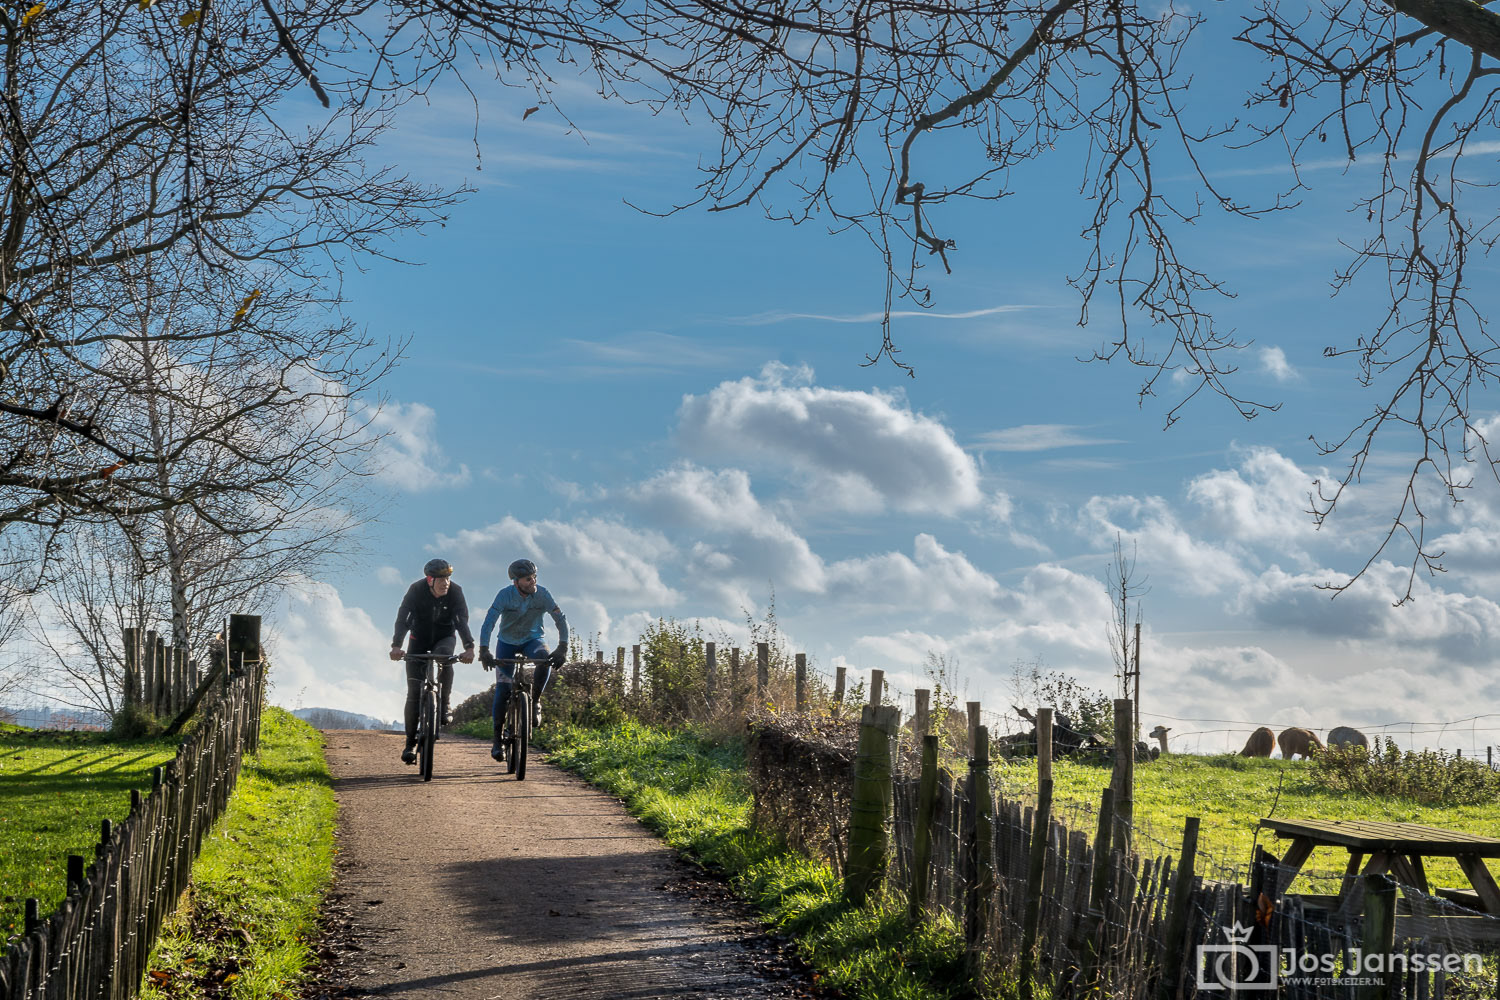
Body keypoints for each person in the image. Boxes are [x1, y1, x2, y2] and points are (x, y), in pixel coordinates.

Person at [478, 558, 568, 761]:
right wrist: (484, 650)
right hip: (507, 643)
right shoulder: (504, 595)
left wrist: (562, 647)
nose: (533, 581)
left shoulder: (543, 594)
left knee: (543, 658)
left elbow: (560, 619)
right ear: (516, 582)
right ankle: (497, 740)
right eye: (528, 579)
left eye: (535, 577)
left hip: (533, 640)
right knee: (502, 688)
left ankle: (535, 701)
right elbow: (489, 622)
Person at [390, 558, 476, 764]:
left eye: (447, 578)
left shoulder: (456, 592)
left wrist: (469, 647)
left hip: (445, 638)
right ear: (429, 580)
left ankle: (445, 704)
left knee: (445, 658)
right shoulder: (416, 590)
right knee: (413, 694)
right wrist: (396, 645)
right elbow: (403, 617)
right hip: (418, 640)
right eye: (441, 579)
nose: (445, 582)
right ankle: (410, 744)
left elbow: (461, 621)